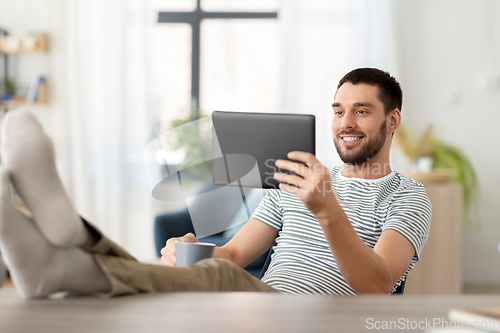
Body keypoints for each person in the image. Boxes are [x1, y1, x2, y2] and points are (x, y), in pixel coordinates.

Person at [0, 68, 431, 299]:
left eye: (361, 111)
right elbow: (232, 255)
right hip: (259, 301)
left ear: (391, 120)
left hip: (321, 316)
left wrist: (327, 210)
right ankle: (67, 248)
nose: (345, 123)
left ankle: (66, 250)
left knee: (211, 283)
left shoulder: (408, 196)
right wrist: (192, 252)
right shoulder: (296, 181)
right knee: (193, 277)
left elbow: (376, 285)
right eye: (338, 111)